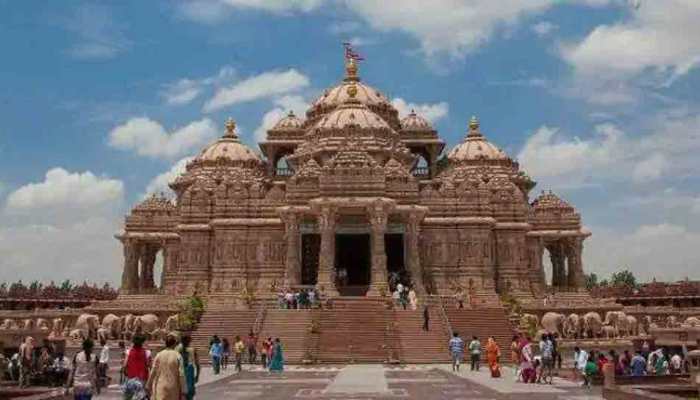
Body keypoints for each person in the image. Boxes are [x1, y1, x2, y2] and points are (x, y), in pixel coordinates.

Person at [147, 335, 186, 400]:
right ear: (174, 344)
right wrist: (183, 390)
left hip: (160, 387)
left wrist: (148, 384)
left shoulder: (159, 355)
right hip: (173, 388)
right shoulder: (178, 356)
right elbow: (181, 374)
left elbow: (153, 371)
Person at [123, 335, 150, 400]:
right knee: (141, 396)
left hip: (131, 377)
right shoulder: (147, 352)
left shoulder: (128, 351)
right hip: (142, 378)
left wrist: (125, 371)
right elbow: (148, 365)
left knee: (131, 395)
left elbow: (125, 364)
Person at [177, 335, 200, 400]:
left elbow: (198, 364)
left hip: (186, 377)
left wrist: (197, 375)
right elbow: (198, 365)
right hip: (184, 377)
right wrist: (197, 375)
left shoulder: (177, 350)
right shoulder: (178, 351)